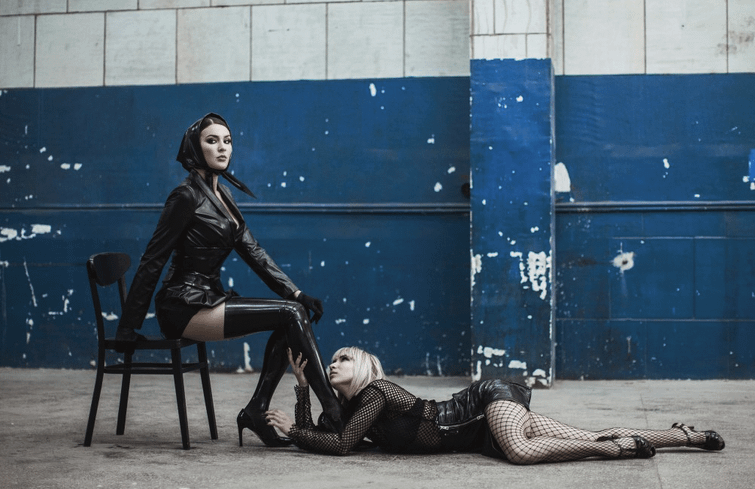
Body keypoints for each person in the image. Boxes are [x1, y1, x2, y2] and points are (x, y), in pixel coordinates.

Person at [115, 112, 343, 446]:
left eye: (228, 141)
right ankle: (334, 411)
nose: (223, 147)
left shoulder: (224, 197)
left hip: (209, 299)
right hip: (182, 306)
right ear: (195, 148)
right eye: (212, 141)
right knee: (290, 315)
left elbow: (255, 252)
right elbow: (153, 259)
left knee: (292, 318)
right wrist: (127, 326)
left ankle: (256, 410)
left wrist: (296, 293)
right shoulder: (185, 196)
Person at [265, 346, 726, 463]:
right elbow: (326, 434)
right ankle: (683, 436)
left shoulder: (377, 393)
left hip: (485, 402)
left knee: (522, 451)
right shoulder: (355, 412)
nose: (334, 363)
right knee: (582, 434)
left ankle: (611, 450)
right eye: (331, 360)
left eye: (344, 358)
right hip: (480, 435)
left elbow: (341, 445)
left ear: (366, 366)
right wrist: (302, 388)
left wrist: (293, 431)